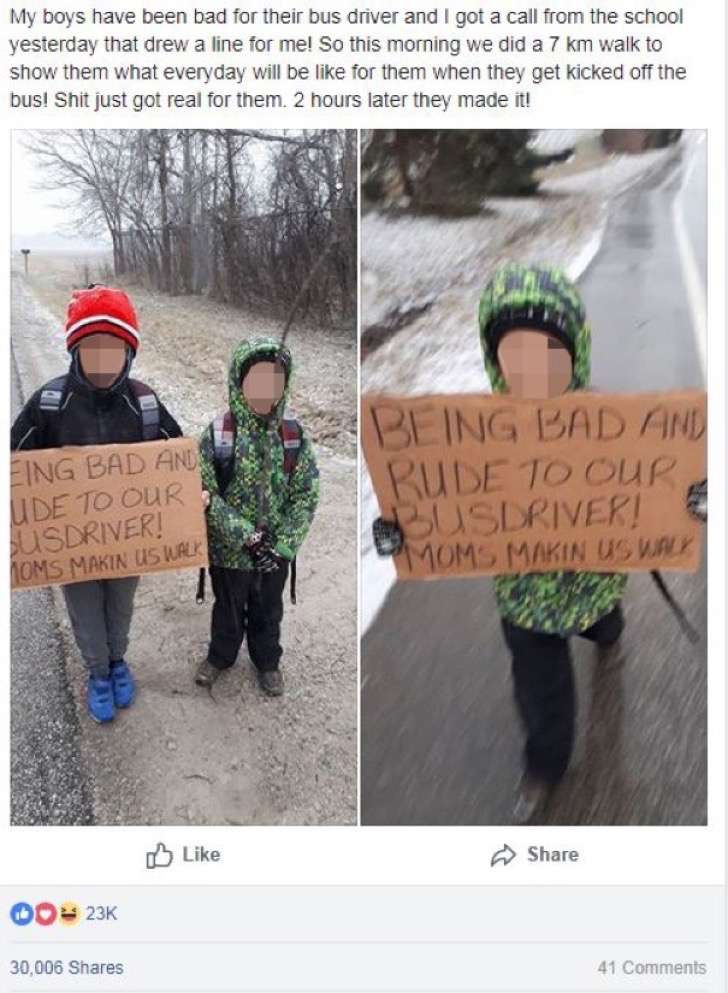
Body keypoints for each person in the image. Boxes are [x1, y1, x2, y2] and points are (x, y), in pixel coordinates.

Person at [373, 262, 706, 822]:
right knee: (541, 690)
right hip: (524, 598)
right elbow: (436, 505)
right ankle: (546, 766)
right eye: (513, 354)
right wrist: (396, 532)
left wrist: (692, 500)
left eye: (548, 354)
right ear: (492, 358)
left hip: (595, 579)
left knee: (602, 621)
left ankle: (608, 628)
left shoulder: (608, 422)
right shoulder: (471, 436)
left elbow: (657, 490)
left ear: (574, 351)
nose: (530, 369)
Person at [11, 285, 183, 724]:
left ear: (129, 350)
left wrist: (190, 492)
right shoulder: (51, 403)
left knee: (120, 605)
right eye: (92, 348)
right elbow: (16, 463)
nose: (104, 359)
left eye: (114, 348)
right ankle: (98, 672)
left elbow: (178, 459)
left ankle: (118, 659)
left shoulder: (144, 402)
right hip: (73, 544)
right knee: (85, 609)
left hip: (128, 540)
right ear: (75, 350)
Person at [195, 338, 319, 698]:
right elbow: (206, 494)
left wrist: (283, 546)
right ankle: (221, 656)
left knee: (268, 610)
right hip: (230, 552)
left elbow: (306, 494)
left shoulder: (292, 436)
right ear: (239, 381)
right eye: (257, 380)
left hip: (275, 554)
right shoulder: (219, 435)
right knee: (228, 609)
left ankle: (267, 661)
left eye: (275, 380)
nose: (266, 390)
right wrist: (246, 536)